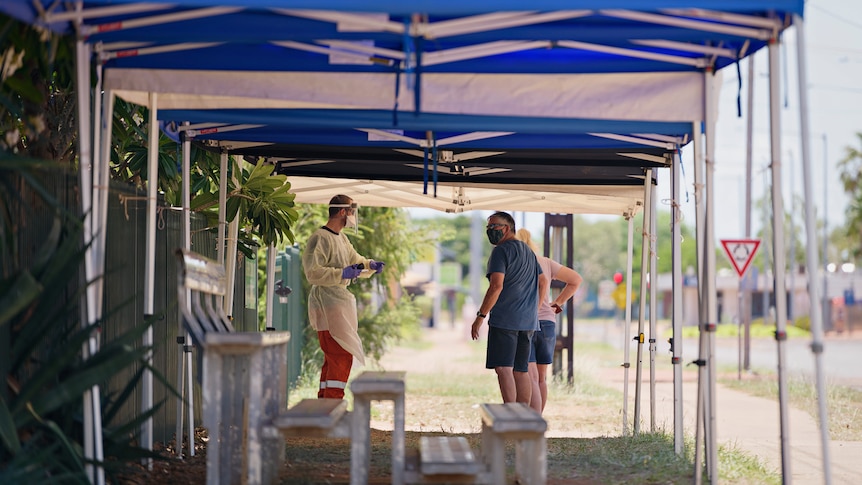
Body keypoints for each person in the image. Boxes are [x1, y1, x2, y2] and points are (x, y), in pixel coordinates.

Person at [301, 195, 385, 399]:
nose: (353, 216)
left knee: (334, 357)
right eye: (352, 211)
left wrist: (369, 265)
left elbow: (355, 261)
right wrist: (341, 274)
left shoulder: (341, 238)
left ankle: (325, 403)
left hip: (337, 303)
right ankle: (332, 402)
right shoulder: (320, 238)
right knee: (340, 356)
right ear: (342, 212)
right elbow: (312, 272)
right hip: (327, 304)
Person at [471, 212, 548, 405]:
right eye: (488, 227)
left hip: (505, 319)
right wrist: (534, 309)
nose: (490, 230)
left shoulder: (501, 251)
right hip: (528, 322)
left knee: (503, 368)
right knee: (520, 370)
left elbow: (496, 286)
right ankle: (521, 417)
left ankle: (510, 413)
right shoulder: (528, 251)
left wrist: (481, 316)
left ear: (506, 228)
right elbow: (543, 280)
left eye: (494, 226)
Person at [515, 228, 583, 414]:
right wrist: (558, 302)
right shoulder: (545, 262)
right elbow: (576, 279)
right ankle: (538, 420)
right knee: (541, 379)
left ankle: (531, 422)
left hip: (526, 323)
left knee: (530, 377)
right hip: (548, 324)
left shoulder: (517, 261)